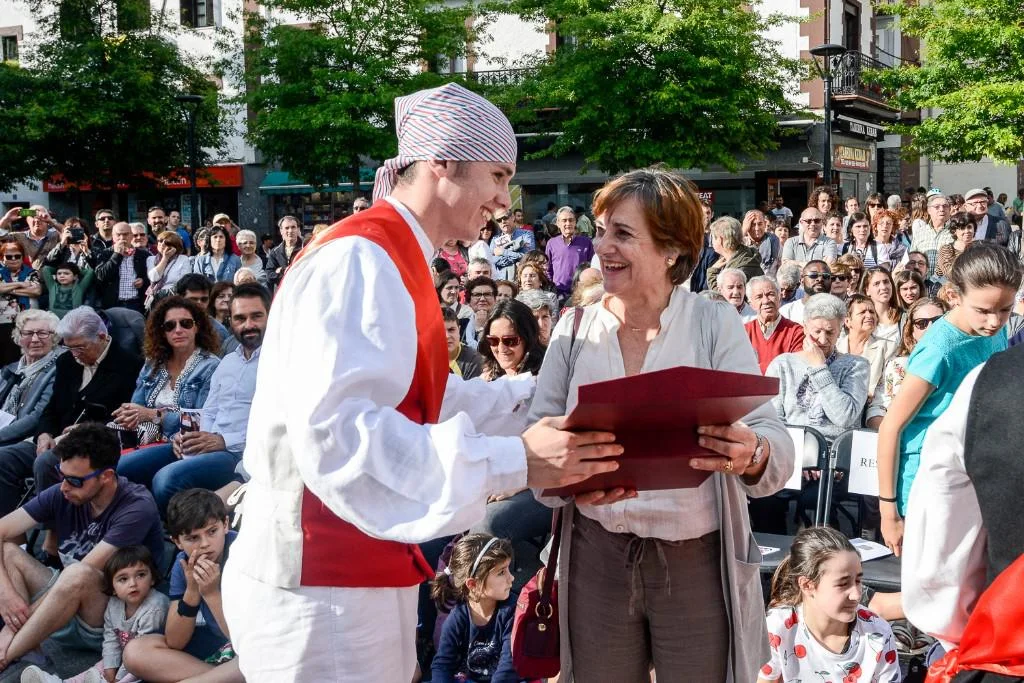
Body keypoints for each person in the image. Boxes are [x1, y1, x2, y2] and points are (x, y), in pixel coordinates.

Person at [221, 82, 623, 682]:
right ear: (442, 163)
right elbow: (341, 434)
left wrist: (543, 396)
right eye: (498, 175)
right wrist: (517, 460)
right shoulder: (360, 257)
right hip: (320, 582)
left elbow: (426, 400)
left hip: (346, 573)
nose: (504, 199)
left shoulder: (388, 253)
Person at [529, 168, 795, 681]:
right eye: (600, 230)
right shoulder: (574, 328)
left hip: (696, 558)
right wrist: (566, 475)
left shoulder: (713, 322)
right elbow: (538, 443)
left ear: (672, 249)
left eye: (623, 234)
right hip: (597, 553)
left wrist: (752, 452)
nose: (602, 246)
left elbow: (775, 444)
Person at [877, 242, 1021, 557]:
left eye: (1005, 309)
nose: (995, 321)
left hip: (975, 476)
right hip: (930, 486)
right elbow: (891, 427)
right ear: (954, 296)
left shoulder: (992, 329)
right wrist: (889, 512)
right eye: (983, 311)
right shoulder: (938, 350)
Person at [0, 425, 164, 672]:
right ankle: (30, 649)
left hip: (111, 619)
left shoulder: (136, 508)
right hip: (63, 604)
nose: (64, 487)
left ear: (106, 476)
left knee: (78, 573)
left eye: (74, 481)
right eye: (60, 475)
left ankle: (7, 655)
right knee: (9, 551)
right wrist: (6, 595)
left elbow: (83, 573)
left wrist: (11, 628)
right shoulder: (64, 493)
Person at [117, 288, 265, 515]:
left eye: (256, 316)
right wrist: (190, 438)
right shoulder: (229, 362)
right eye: (240, 318)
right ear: (230, 321)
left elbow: (275, 422)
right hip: (204, 443)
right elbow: (209, 411)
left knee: (166, 480)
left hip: (240, 453)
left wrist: (222, 440)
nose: (248, 325)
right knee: (122, 468)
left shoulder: (276, 362)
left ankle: (174, 532)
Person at [23, 308, 143, 516]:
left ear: (102, 337)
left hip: (93, 443)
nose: (75, 354)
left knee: (46, 463)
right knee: (5, 459)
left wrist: (86, 430)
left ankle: (55, 529)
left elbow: (123, 419)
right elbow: (52, 407)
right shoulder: (67, 361)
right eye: (69, 347)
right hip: (54, 438)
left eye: (80, 347)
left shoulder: (130, 366)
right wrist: (44, 433)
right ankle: (11, 528)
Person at [122, 490, 241, 682]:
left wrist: (211, 594)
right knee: (135, 652)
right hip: (218, 645)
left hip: (252, 647)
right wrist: (192, 590)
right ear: (177, 541)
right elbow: (175, 641)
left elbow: (244, 640)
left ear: (225, 524)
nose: (205, 544)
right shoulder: (183, 563)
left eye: (212, 531)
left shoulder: (242, 553)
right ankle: (219, 677)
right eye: (193, 538)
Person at [758, 526, 899, 683]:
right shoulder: (778, 629)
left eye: (858, 581)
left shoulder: (878, 633)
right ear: (807, 585)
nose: (856, 595)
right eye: (843, 584)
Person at [21, 545, 170, 683]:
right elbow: (111, 637)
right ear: (113, 588)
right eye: (123, 579)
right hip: (124, 654)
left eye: (141, 575)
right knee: (98, 669)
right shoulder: (115, 604)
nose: (133, 583)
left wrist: (117, 678)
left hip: (148, 660)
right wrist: (109, 668)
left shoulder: (155, 607)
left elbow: (141, 654)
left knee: (128, 675)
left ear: (152, 578)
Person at [115, 295, 219, 475]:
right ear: (162, 332)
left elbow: (197, 421)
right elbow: (136, 406)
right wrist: (128, 414)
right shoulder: (152, 363)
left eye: (185, 323)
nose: (178, 330)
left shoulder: (210, 367)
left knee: (120, 466)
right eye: (170, 326)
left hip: (179, 442)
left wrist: (154, 415)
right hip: (144, 436)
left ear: (197, 327)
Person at [766, 294, 870, 442]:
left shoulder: (856, 365)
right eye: (817, 331)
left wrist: (819, 368)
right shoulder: (782, 364)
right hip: (792, 445)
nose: (822, 339)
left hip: (835, 448)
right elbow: (773, 420)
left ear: (839, 331)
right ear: (805, 327)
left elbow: (845, 417)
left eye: (830, 332)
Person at [428, 534, 520, 683]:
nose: (512, 578)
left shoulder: (512, 611)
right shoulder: (458, 616)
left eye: (508, 569)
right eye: (502, 572)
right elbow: (442, 664)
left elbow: (508, 668)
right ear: (473, 584)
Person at [864, 297, 948, 429]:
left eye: (938, 321)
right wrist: (893, 433)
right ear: (912, 332)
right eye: (922, 323)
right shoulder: (898, 365)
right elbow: (877, 410)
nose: (930, 328)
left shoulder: (962, 364)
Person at [0, 311, 60, 456]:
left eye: (42, 333)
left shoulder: (58, 369)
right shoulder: (11, 368)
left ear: (54, 337)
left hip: (25, 439)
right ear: (19, 338)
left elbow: (36, 417)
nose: (35, 339)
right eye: (28, 333)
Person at [836, 293, 897, 407]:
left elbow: (887, 386)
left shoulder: (888, 347)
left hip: (873, 407)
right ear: (847, 321)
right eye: (862, 312)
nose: (869, 316)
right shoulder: (836, 347)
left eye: (872, 312)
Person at [745, 276, 804, 374]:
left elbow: (796, 370)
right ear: (751, 304)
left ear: (779, 297)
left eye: (771, 294)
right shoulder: (744, 332)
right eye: (759, 297)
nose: (766, 301)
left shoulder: (796, 332)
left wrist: (757, 367)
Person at [476, 300, 545, 381]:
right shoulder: (487, 379)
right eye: (493, 340)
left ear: (528, 338)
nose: (501, 349)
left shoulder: (545, 375)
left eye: (509, 341)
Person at [174, 276, 239, 358]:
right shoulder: (168, 325)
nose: (199, 304)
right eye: (193, 299)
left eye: (204, 300)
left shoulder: (218, 331)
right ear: (179, 299)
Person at [0, 241, 42, 366]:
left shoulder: (31, 272)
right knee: (4, 356)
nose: (13, 259)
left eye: (17, 256)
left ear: (22, 257)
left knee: (23, 357)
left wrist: (8, 289)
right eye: (9, 256)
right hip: (3, 321)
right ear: (2, 258)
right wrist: (21, 284)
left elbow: (36, 291)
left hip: (26, 320)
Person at [93, 222, 149, 313]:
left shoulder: (144, 255)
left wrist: (143, 280)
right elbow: (101, 276)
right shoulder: (105, 254)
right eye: (118, 235)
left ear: (131, 236)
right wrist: (117, 255)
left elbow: (152, 278)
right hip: (113, 304)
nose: (122, 238)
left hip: (136, 303)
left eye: (126, 234)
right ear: (113, 237)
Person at [545, 207, 594, 300]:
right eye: (564, 220)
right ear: (558, 223)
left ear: (575, 222)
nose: (568, 223)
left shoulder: (586, 242)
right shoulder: (551, 243)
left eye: (571, 220)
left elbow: (592, 267)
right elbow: (548, 268)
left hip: (581, 292)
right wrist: (553, 286)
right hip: (558, 292)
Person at [707, 216, 764, 291]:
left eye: (713, 238)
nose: (712, 242)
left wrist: (712, 274)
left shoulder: (739, 269)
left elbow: (725, 295)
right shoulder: (744, 256)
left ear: (720, 240)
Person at [909, 189, 954, 279]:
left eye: (945, 206)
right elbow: (912, 258)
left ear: (949, 209)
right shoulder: (920, 232)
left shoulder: (956, 231)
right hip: (922, 281)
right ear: (929, 210)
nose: (941, 209)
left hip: (947, 282)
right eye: (937, 207)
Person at [145, 231, 190, 309]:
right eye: (160, 241)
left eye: (167, 243)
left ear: (175, 246)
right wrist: (165, 258)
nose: (162, 244)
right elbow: (154, 278)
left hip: (175, 299)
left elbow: (184, 282)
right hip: (156, 299)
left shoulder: (183, 259)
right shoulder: (151, 259)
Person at [779, 260, 832, 325]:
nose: (820, 279)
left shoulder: (839, 311)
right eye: (813, 275)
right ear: (802, 280)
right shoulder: (787, 311)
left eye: (825, 276)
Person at [491, 208, 535, 282]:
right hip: (501, 281)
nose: (503, 222)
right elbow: (492, 261)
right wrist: (516, 257)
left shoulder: (526, 234)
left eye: (505, 218)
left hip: (521, 280)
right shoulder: (495, 239)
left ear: (513, 217)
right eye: (499, 220)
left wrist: (503, 252)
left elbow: (529, 257)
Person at [860, 267, 901, 341]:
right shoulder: (861, 319)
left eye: (886, 282)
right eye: (876, 284)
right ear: (867, 290)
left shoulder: (904, 317)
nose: (883, 287)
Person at [265, 216, 302, 294]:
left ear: (298, 229)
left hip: (302, 292)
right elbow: (269, 275)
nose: (290, 231)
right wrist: (289, 273)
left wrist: (281, 271)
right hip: (283, 294)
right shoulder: (275, 252)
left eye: (293, 227)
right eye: (287, 228)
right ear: (281, 231)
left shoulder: (306, 248)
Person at [444, 307, 482, 380]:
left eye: (451, 330)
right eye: (441, 331)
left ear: (459, 330)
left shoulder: (474, 360)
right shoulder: (425, 358)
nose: (447, 336)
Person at [935, 211, 975, 278]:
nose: (967, 231)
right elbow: (950, 273)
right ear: (954, 231)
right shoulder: (946, 249)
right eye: (962, 228)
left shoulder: (979, 248)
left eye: (969, 227)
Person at [744, 209, 781, 279]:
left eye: (760, 224)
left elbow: (780, 266)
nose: (757, 228)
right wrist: (743, 231)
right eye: (753, 224)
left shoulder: (774, 240)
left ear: (765, 223)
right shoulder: (741, 242)